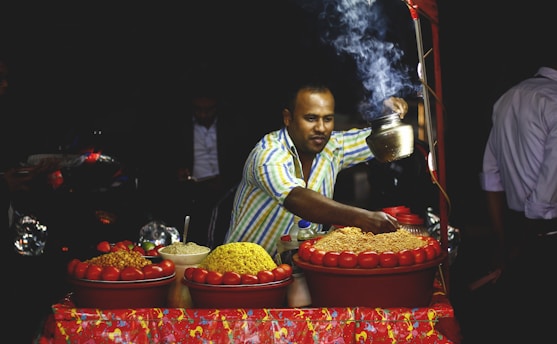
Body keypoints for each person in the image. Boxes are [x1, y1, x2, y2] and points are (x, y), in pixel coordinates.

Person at [224, 82, 408, 256]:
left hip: (299, 270)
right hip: (244, 274)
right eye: (311, 118)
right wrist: (362, 218)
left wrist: (388, 116)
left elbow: (382, 139)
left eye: (327, 119)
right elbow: (296, 198)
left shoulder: (334, 147)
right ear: (288, 118)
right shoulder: (268, 153)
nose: (321, 128)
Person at [479, 55, 557, 341]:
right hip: (545, 237)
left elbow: (490, 176)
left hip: (517, 233)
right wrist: (521, 243)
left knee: (523, 324)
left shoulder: (507, 99)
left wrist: (502, 242)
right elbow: (545, 197)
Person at [142, 79, 255, 248]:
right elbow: (162, 157)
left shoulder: (233, 126)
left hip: (225, 189)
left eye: (208, 110)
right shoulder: (177, 126)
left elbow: (243, 159)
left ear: (217, 107)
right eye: (198, 109)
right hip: (189, 189)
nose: (203, 115)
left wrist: (226, 179)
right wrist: (177, 171)